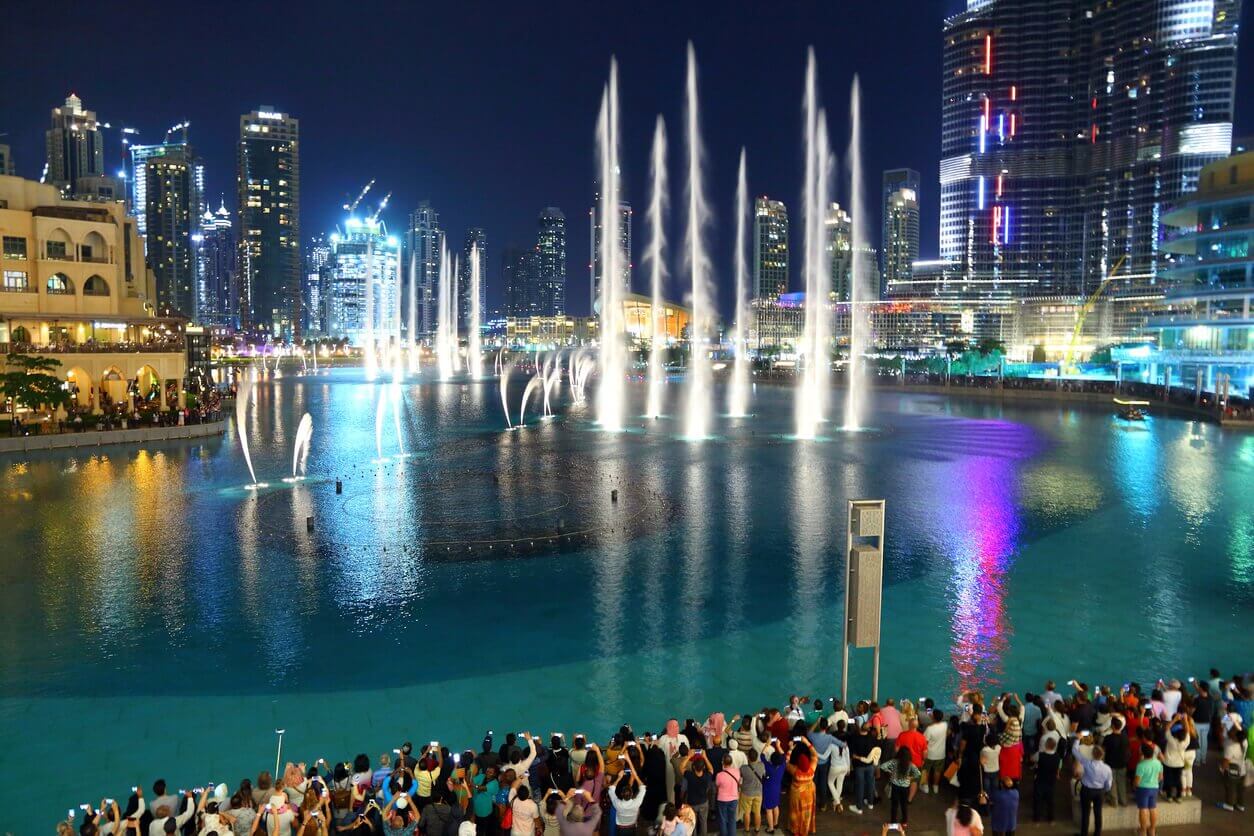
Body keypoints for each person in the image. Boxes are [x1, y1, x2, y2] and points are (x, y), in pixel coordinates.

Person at [1072, 741, 1112, 836]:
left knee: (1085, 813)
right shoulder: (1107, 768)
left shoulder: (1086, 763)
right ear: (1102, 755)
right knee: (1098, 813)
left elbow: (1074, 750)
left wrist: (1078, 739)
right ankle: (1097, 833)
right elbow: (1108, 784)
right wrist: (1105, 790)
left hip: (1087, 790)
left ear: (1093, 754)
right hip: (1099, 791)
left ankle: (1084, 833)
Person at [877, 746, 919, 825]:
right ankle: (904, 821)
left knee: (894, 805)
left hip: (895, 786)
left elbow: (882, 766)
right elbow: (917, 774)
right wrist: (910, 778)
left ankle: (893, 821)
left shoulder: (894, 762)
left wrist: (890, 773)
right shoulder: (910, 764)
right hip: (905, 788)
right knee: (904, 805)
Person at [784, 737, 817, 836]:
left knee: (795, 812)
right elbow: (815, 756)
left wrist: (790, 749)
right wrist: (807, 743)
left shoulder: (795, 771)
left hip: (796, 795)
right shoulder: (812, 770)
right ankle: (805, 831)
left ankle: (795, 831)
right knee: (806, 813)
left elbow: (786, 762)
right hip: (809, 795)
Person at [679, 749, 712, 836]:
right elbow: (711, 769)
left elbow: (681, 767)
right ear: (703, 767)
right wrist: (705, 757)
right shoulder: (707, 776)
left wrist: (689, 756)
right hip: (704, 802)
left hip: (692, 803)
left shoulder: (689, 776)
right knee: (703, 822)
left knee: (693, 823)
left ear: (693, 767)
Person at [607, 761, 645, 836]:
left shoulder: (617, 804)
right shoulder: (637, 803)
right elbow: (643, 787)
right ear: (632, 794)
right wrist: (635, 776)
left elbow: (611, 789)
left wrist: (619, 777)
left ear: (621, 794)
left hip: (620, 829)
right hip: (632, 828)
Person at [1133, 742, 1162, 836]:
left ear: (1142, 754)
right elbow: (1160, 777)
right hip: (1154, 788)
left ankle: (1143, 831)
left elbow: (1137, 781)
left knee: (1143, 809)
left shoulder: (1141, 765)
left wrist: (1134, 786)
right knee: (1152, 808)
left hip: (1143, 789)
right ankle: (1152, 830)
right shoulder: (1158, 763)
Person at [847, 722, 877, 814]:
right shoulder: (872, 738)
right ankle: (870, 803)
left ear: (860, 728)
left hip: (859, 766)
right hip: (870, 765)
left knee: (860, 786)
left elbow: (851, 753)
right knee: (870, 784)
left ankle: (859, 807)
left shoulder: (855, 738)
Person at [1031, 736, 1060, 823]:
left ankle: (1037, 819)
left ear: (1046, 745)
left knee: (1038, 800)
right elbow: (1058, 768)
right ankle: (1051, 818)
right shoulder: (1057, 757)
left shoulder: (1040, 755)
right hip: (1051, 781)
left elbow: (1032, 759)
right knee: (1050, 800)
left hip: (1040, 780)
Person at [1218, 726, 1248, 812]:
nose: (1230, 730)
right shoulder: (1244, 742)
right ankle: (1240, 805)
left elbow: (1226, 761)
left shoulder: (1231, 747)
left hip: (1231, 771)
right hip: (1242, 770)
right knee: (1240, 789)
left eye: (1232, 730)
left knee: (1230, 788)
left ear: (1235, 736)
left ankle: (1229, 804)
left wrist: (1221, 769)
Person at [759, 745, 785, 835]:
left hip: (768, 790)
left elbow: (762, 756)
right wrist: (778, 745)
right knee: (776, 806)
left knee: (768, 809)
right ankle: (775, 823)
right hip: (777, 789)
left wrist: (766, 746)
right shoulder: (782, 765)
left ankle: (771, 828)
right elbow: (783, 754)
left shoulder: (768, 767)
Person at [737, 749, 764, 834]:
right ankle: (757, 829)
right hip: (758, 793)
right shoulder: (762, 765)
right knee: (757, 813)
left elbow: (740, 777)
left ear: (748, 757)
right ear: (757, 757)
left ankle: (747, 829)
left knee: (747, 813)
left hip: (746, 793)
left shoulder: (743, 768)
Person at [713, 755, 740, 836]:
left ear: (723, 763)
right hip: (734, 799)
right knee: (732, 819)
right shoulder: (737, 771)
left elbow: (717, 785)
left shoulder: (719, 775)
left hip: (722, 800)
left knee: (723, 819)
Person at [922, 709, 947, 795]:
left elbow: (925, 742)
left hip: (929, 754)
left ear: (933, 717)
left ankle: (925, 786)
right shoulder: (945, 725)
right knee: (937, 771)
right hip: (941, 754)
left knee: (926, 770)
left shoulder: (929, 729)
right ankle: (935, 787)